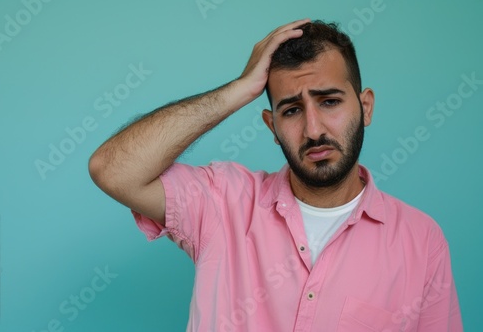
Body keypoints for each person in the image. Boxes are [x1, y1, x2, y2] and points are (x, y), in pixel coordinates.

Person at [89, 19, 463, 331]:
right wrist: (237, 91)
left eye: (329, 101)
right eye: (291, 110)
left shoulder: (422, 241)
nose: (314, 129)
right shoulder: (223, 202)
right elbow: (113, 170)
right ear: (271, 125)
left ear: (365, 107)